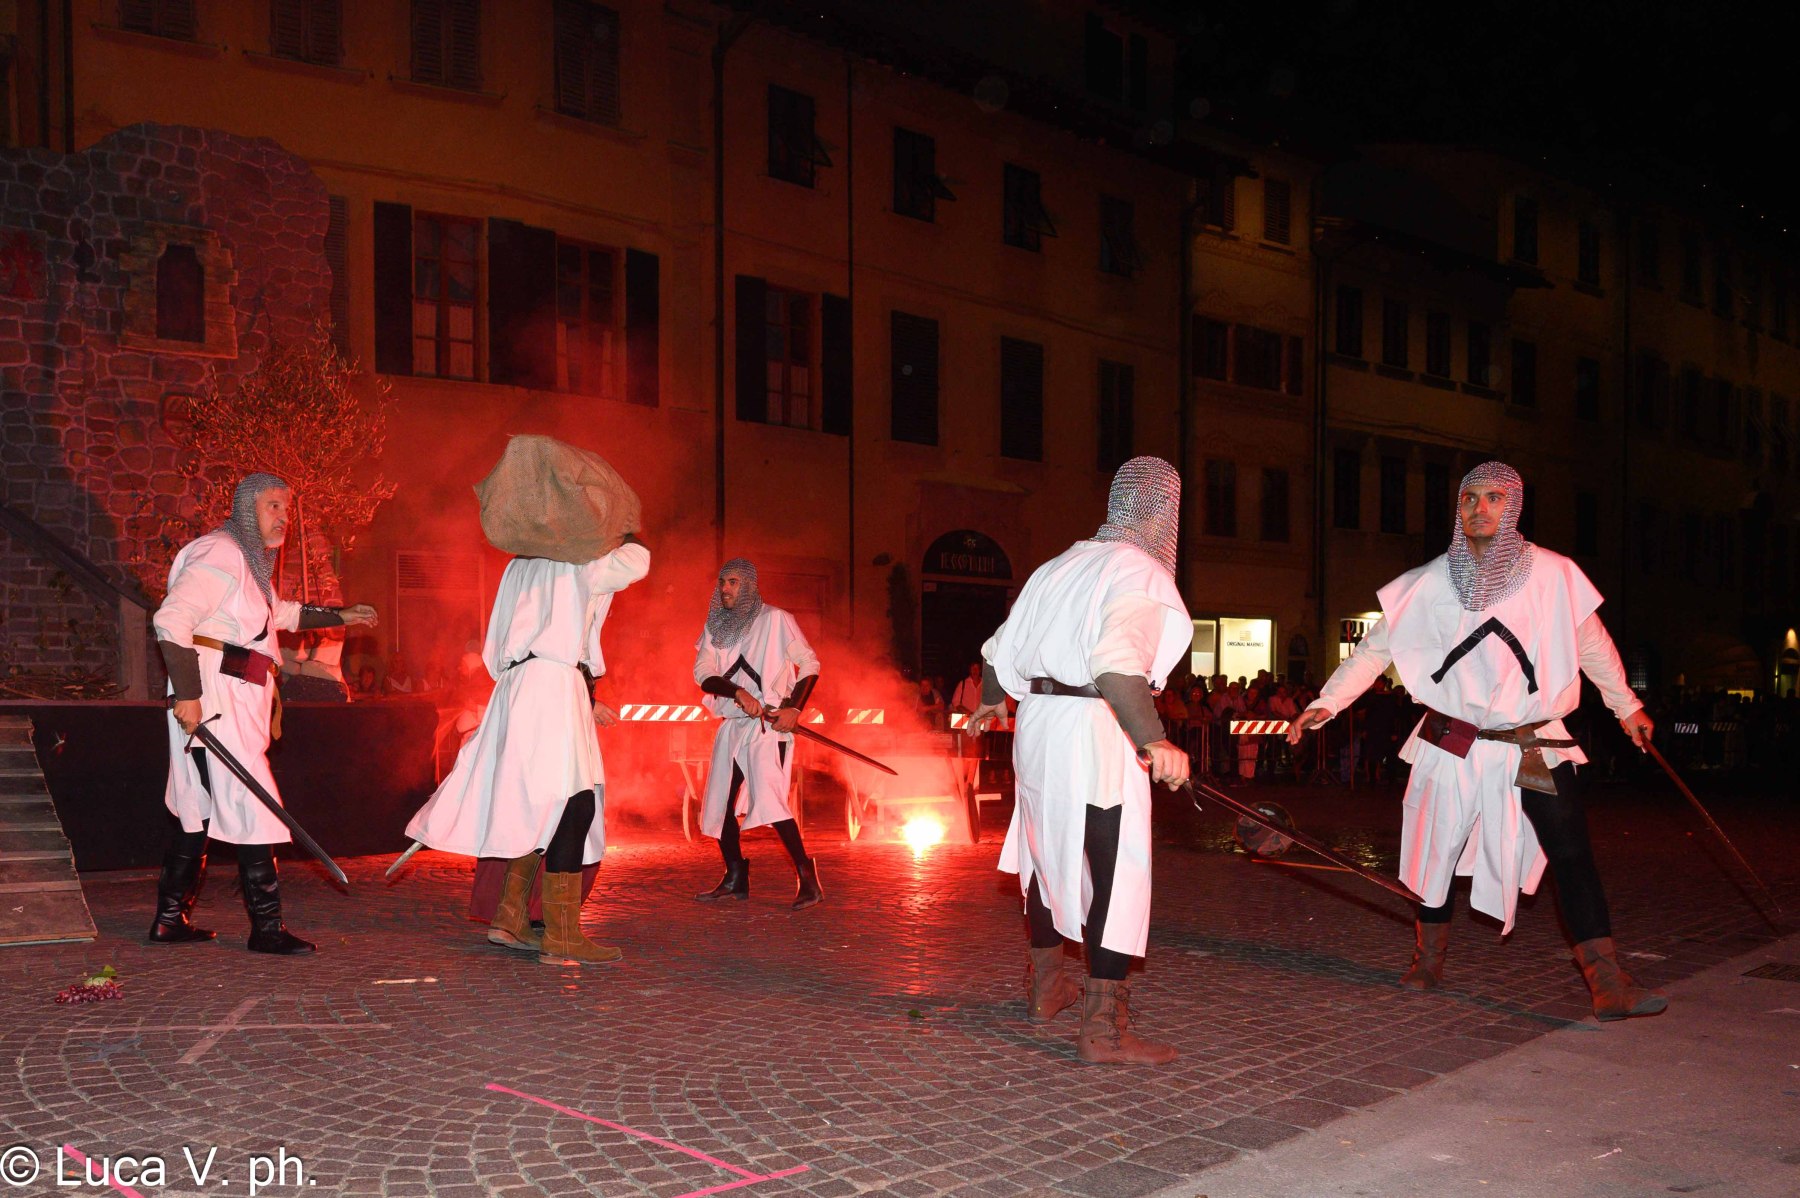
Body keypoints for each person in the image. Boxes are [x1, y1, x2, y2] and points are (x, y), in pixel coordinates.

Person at [1289, 461, 1664, 1022]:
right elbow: (1374, 652)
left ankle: (1608, 981)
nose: (1479, 509)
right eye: (1469, 498)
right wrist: (1328, 701)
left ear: (1513, 506)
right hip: (1452, 742)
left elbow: (1592, 646)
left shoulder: (1555, 576)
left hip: (1533, 743)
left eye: (1493, 498)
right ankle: (1428, 960)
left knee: (1570, 852)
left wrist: (1627, 706)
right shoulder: (1427, 583)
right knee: (1434, 853)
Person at [969, 456, 1193, 1065]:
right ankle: (1102, 1031)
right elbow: (1116, 663)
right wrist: (1154, 740)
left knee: (1046, 855)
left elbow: (997, 649)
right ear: (1165, 513)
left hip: (1040, 726)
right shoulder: (1140, 572)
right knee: (1115, 869)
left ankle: (1047, 989)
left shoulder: (1056, 566)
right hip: (1099, 729)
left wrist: (991, 700)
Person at [405, 437, 649, 966]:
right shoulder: (582, 562)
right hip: (552, 686)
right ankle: (561, 933)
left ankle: (511, 917)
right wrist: (620, 523)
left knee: (540, 804)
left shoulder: (517, 567)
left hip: (519, 687)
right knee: (575, 804)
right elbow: (638, 560)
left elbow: (501, 647)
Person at [150, 472, 377, 954]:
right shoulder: (220, 553)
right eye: (274, 505)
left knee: (199, 809)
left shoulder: (245, 561)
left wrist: (341, 615)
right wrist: (188, 694)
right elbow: (172, 618)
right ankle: (266, 928)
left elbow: (282, 614)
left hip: (232, 692)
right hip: (215, 694)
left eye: (286, 508)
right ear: (246, 507)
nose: (283, 517)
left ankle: (170, 919)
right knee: (253, 801)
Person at [692, 559, 824, 909]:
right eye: (722, 582)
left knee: (770, 800)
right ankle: (735, 876)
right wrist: (737, 692)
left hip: (767, 726)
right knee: (720, 803)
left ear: (749, 585)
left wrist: (794, 709)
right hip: (732, 725)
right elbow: (703, 673)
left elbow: (810, 663)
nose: (725, 588)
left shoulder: (776, 619)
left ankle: (808, 879)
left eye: (733, 582)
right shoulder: (715, 627)